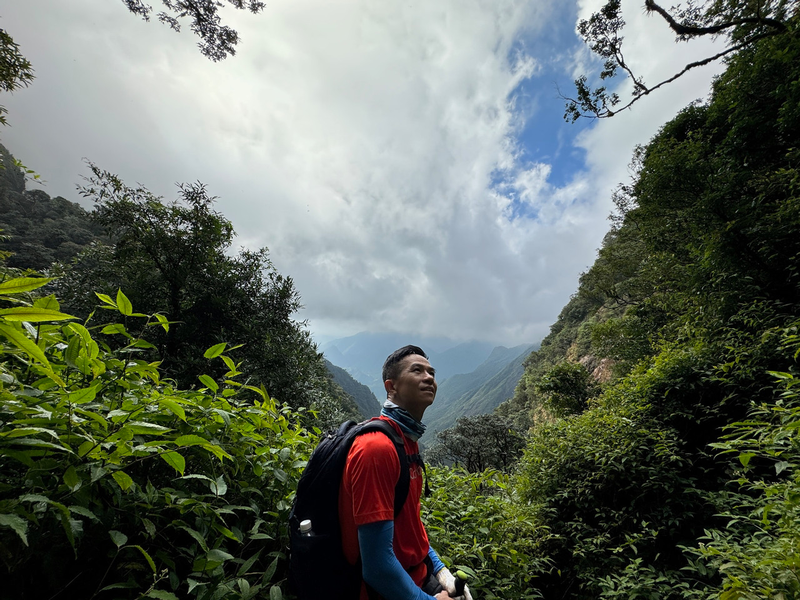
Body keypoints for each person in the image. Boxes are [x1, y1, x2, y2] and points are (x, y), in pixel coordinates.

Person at [338, 345, 474, 600]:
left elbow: (410, 527)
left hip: (418, 576)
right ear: (392, 387)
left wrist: (441, 572)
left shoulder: (405, 441)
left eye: (431, 372)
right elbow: (377, 568)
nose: (429, 377)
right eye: (417, 370)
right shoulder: (376, 449)